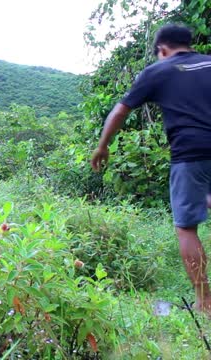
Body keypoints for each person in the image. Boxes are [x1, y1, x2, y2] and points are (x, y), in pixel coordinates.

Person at [91, 24, 211, 314]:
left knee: (186, 227)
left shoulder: (158, 71)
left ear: (163, 50)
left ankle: (205, 302)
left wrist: (103, 146)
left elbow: (120, 110)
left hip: (190, 153)